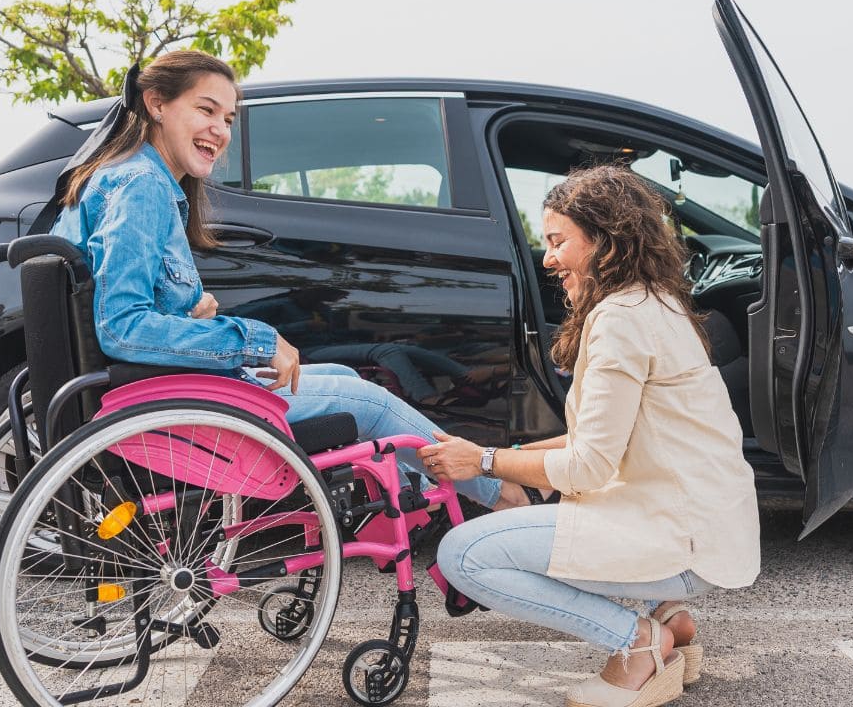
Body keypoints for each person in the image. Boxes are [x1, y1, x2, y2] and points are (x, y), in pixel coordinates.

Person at [49, 50, 531, 510]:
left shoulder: (138, 182)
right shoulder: (141, 185)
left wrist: (189, 314)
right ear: (157, 105)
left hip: (167, 384)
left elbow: (127, 310)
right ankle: (501, 495)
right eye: (206, 110)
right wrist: (256, 340)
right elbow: (122, 327)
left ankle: (408, 505)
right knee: (370, 401)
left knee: (344, 376)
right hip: (166, 396)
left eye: (229, 120)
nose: (219, 130)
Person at [420, 165, 761, 707]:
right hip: (706, 530)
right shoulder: (655, 303)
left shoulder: (620, 319)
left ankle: (641, 643)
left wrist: (482, 462)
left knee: (466, 555)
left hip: (682, 542)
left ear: (606, 242)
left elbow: (588, 467)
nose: (549, 259)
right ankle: (670, 617)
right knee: (521, 531)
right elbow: (594, 441)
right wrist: (506, 458)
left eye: (558, 242)